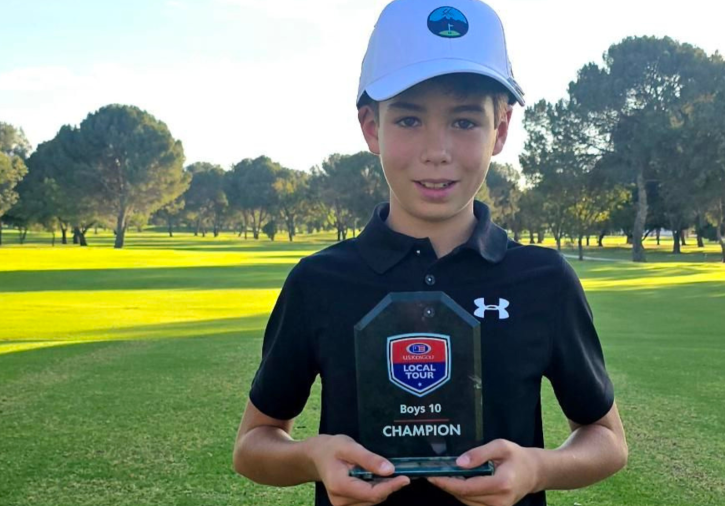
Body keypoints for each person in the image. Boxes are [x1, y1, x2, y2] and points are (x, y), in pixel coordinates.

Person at [232, 1, 628, 505]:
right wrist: (313, 457)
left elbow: (606, 439)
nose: (436, 151)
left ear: (500, 130)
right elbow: (253, 444)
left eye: (464, 122)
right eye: (408, 119)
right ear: (371, 127)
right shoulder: (319, 281)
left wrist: (537, 468)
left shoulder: (543, 279)